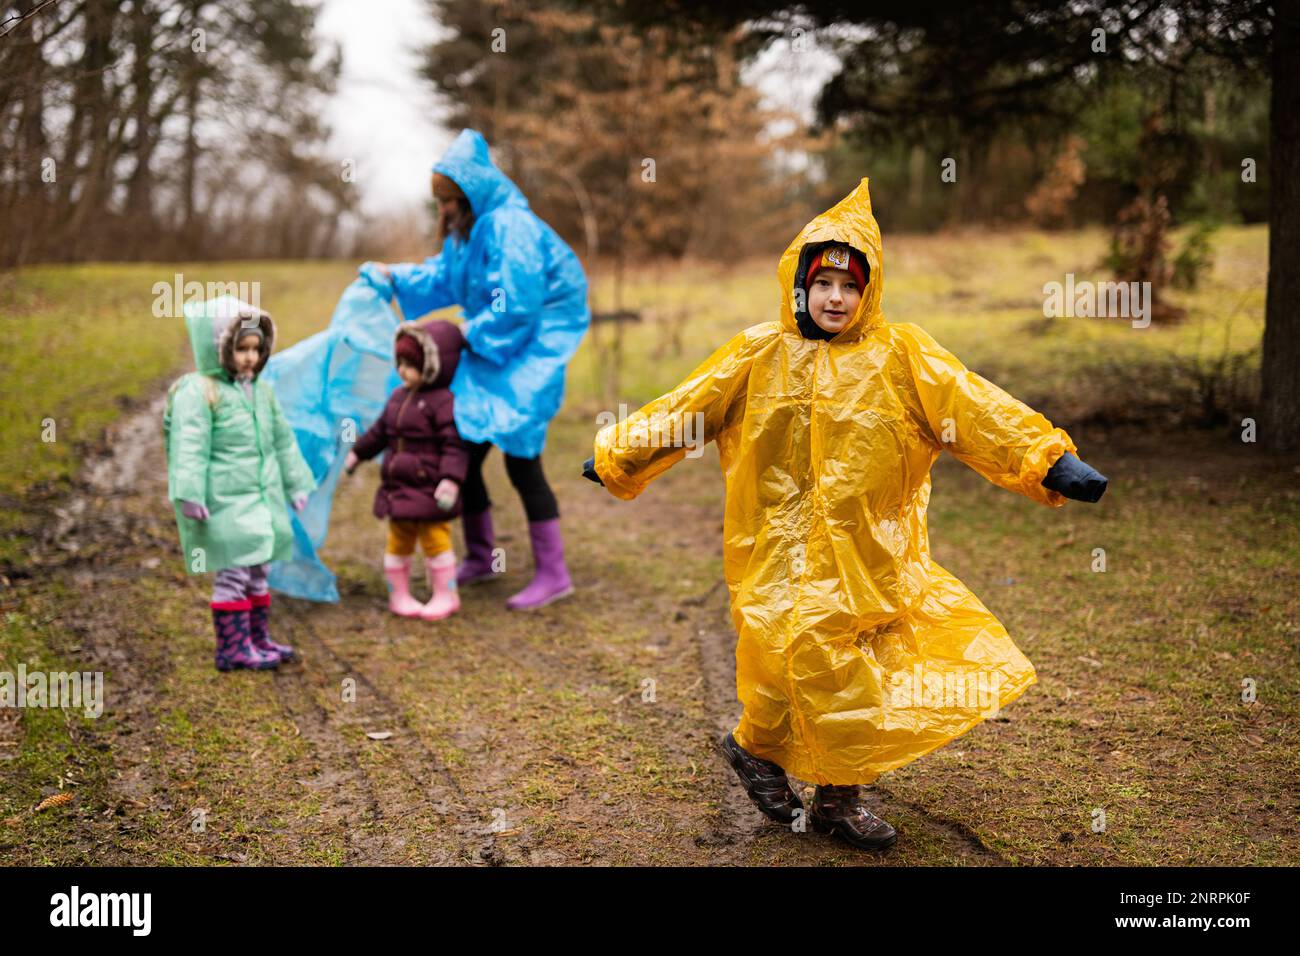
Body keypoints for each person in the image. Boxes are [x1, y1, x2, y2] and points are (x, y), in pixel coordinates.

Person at [582, 180, 1108, 851]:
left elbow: (974, 407)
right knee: (786, 660)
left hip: (870, 554)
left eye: (850, 286)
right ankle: (797, 773)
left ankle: (807, 781)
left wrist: (1046, 460)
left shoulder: (902, 355)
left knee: (854, 669)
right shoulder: (757, 354)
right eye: (823, 282)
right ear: (799, 284)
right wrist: (619, 455)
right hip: (774, 548)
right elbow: (689, 408)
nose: (836, 298)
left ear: (869, 293)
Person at [362, 129, 590, 611]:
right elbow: (446, 278)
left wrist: (466, 333)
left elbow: (519, 305)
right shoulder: (470, 231)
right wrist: (394, 276)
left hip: (531, 348)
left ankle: (554, 573)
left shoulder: (510, 225)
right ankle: (484, 557)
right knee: (465, 439)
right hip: (494, 345)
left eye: (448, 199)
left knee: (521, 458)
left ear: (469, 192)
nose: (443, 209)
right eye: (440, 200)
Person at [164, 296, 316, 671]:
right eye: (240, 348)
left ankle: (257, 638)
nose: (250, 357)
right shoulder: (200, 392)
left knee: (259, 569)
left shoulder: (260, 391)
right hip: (225, 502)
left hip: (261, 500)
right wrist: (189, 492)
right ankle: (232, 647)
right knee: (234, 571)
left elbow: (282, 438)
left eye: (255, 348)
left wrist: (296, 483)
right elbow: (189, 445)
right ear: (219, 348)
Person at [345, 319, 469, 620]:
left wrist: (450, 481)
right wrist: (358, 453)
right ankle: (398, 595)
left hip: (429, 488)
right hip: (398, 487)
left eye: (411, 364)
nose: (402, 370)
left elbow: (454, 444)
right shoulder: (398, 397)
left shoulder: (444, 403)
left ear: (432, 366)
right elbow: (379, 432)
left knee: (435, 538)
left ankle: (446, 593)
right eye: (399, 362)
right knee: (398, 539)